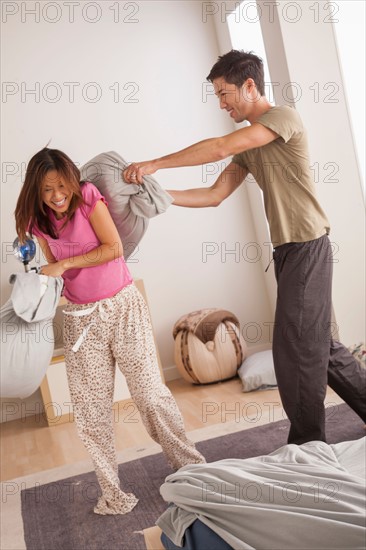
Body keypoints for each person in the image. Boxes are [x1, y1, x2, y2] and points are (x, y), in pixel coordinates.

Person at [124, 50, 366, 445]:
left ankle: (307, 446)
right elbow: (215, 193)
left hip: (308, 247)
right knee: (319, 344)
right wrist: (159, 196)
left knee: (293, 348)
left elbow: (219, 146)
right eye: (217, 96)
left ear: (250, 86)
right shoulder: (251, 147)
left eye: (225, 93)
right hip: (289, 253)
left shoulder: (283, 119)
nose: (221, 104)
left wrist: (154, 164)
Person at [15, 147, 205, 516]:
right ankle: (112, 493)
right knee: (91, 412)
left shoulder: (86, 196)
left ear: (72, 182)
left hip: (122, 306)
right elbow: (55, 270)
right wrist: (40, 283)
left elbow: (113, 248)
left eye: (61, 187)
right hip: (80, 319)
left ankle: (192, 468)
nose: (56, 196)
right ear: (35, 191)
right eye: (47, 190)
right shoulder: (38, 223)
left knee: (150, 395)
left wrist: (66, 263)